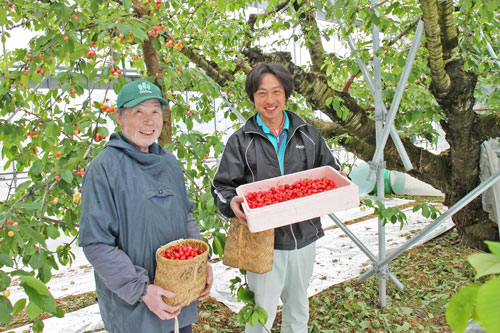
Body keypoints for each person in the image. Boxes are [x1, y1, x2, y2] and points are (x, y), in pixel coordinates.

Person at [211, 63, 341, 333]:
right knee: (262, 313)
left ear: (286, 94)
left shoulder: (308, 134)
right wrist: (231, 204)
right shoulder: (241, 141)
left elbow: (331, 171)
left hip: (304, 237)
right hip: (263, 242)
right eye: (261, 93)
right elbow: (222, 187)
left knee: (298, 307)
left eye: (276, 92)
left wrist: (333, 188)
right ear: (253, 97)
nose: (269, 101)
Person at [79, 80, 213, 333]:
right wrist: (142, 290)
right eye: (138, 112)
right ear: (119, 117)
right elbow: (96, 243)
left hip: (178, 299)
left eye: (155, 111)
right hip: (135, 307)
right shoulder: (104, 169)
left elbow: (185, 216)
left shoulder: (169, 162)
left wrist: (200, 263)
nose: (148, 121)